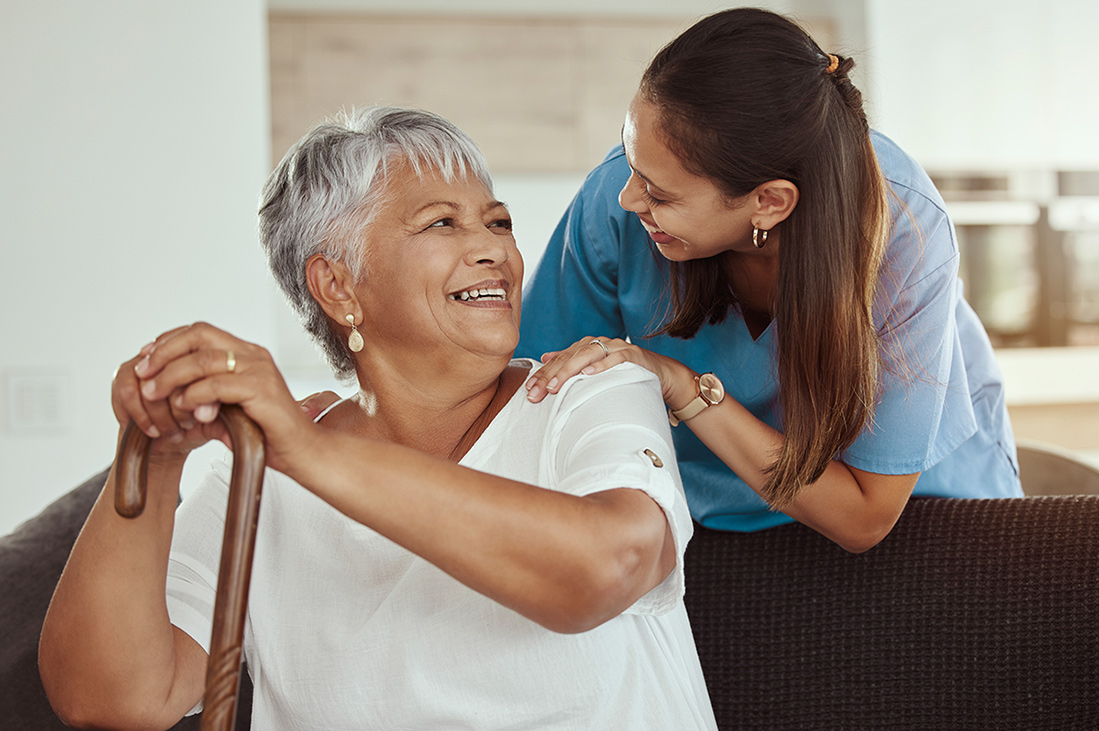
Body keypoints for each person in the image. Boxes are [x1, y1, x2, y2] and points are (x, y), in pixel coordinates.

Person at [39, 107, 717, 730]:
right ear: (337, 285)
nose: (494, 250)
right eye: (442, 223)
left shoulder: (591, 391)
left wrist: (308, 450)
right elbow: (112, 698)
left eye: (498, 220)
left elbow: (605, 567)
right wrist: (155, 457)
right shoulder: (257, 477)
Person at [519, 7, 1022, 553]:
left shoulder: (904, 229)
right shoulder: (616, 200)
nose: (626, 197)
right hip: (703, 514)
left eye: (659, 194)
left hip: (916, 512)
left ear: (768, 202)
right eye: (632, 163)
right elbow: (535, 401)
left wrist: (680, 385)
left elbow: (863, 517)